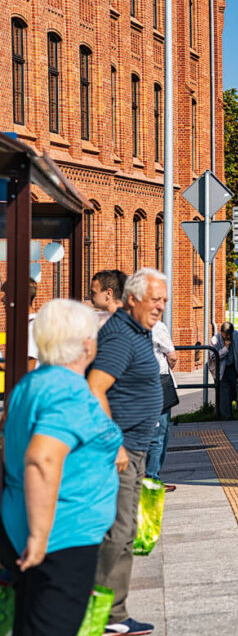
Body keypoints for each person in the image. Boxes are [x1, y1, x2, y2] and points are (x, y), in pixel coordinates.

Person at [0, 299, 124, 636]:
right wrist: (40, 538)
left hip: (22, 527)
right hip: (61, 536)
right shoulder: (69, 392)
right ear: (86, 343)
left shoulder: (32, 384)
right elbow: (42, 458)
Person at [87, 268, 167, 636]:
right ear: (132, 298)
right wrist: (114, 442)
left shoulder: (136, 331)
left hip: (134, 448)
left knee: (125, 531)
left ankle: (114, 615)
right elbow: (96, 387)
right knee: (117, 532)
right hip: (121, 452)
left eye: (164, 301)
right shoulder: (121, 336)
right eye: (155, 300)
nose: (160, 307)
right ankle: (98, 616)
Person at [145, 320, 178, 492]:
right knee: (159, 434)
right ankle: (152, 479)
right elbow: (172, 356)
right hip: (158, 382)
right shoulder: (156, 325)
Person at [0, 278, 40, 372]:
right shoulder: (28, 325)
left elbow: (28, 368)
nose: (2, 299)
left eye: (7, 295)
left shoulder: (31, 328)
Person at [211, 322, 238, 419]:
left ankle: (224, 412)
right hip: (221, 370)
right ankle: (227, 416)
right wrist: (225, 348)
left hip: (233, 368)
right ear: (221, 332)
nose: (228, 337)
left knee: (233, 391)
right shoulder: (215, 340)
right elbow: (213, 357)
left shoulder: (236, 335)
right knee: (224, 392)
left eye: (230, 335)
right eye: (226, 335)